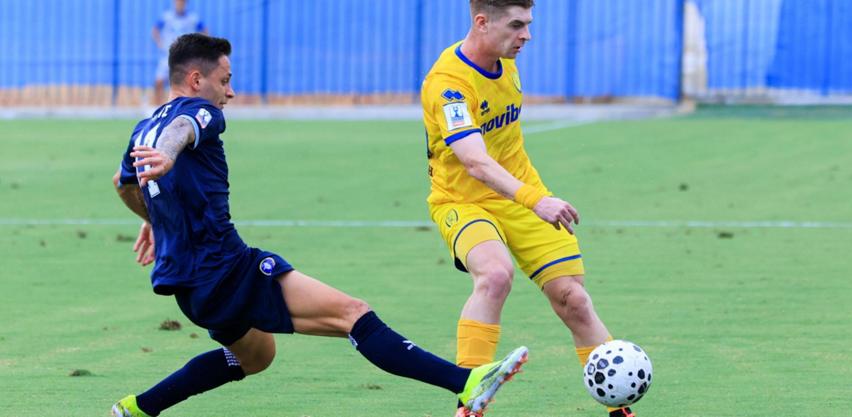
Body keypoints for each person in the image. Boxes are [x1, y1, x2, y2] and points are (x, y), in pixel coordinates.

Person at [110, 33, 527, 417]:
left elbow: (123, 183)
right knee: (353, 314)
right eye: (225, 80)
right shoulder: (199, 111)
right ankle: (465, 382)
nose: (230, 92)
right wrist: (168, 157)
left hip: (190, 287)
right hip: (226, 270)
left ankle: (138, 408)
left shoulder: (143, 129)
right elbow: (183, 130)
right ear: (196, 80)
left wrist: (155, 219)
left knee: (256, 356)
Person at [419, 1, 634, 416]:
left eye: (528, 24)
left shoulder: (505, 60)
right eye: (517, 25)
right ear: (482, 22)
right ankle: (468, 403)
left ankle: (619, 408)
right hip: (463, 201)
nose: (527, 36)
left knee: (574, 300)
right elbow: (475, 162)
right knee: (495, 274)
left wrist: (531, 197)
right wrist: (538, 201)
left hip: (520, 193)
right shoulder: (449, 85)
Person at [151, 0, 207, 106]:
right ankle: (158, 107)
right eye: (177, 2)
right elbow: (155, 30)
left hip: (186, 58)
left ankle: (189, 107)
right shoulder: (167, 17)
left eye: (182, 2)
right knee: (159, 81)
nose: (179, 4)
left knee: (190, 83)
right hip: (169, 56)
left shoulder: (192, 18)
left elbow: (205, 31)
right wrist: (160, 43)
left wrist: (200, 46)